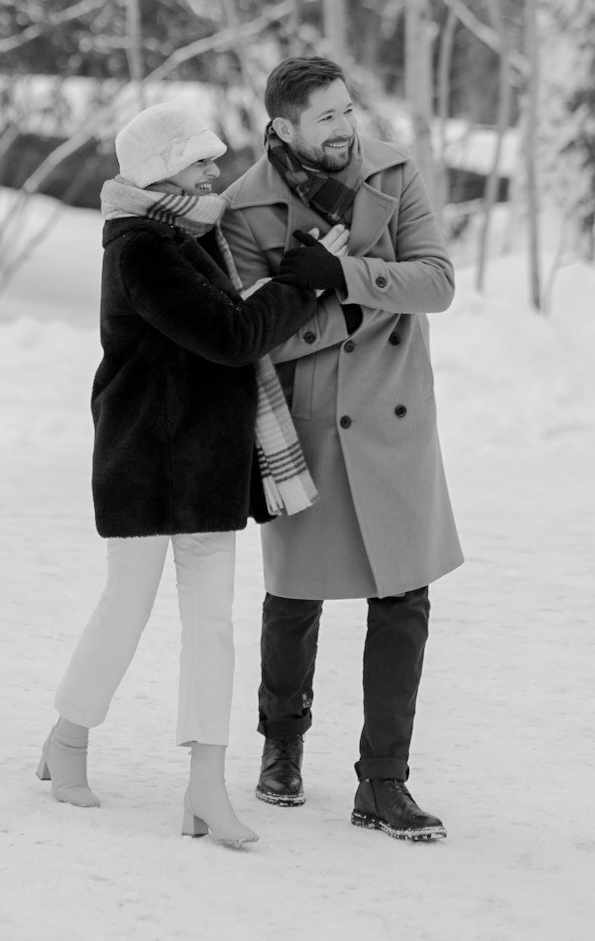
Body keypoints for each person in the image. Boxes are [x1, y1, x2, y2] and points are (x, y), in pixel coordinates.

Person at [38, 103, 334, 848]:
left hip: (205, 461)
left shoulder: (191, 233)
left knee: (212, 627)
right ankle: (68, 738)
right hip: (144, 458)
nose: (215, 172)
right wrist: (298, 289)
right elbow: (231, 336)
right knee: (126, 607)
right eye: (201, 161)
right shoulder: (141, 245)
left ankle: (206, 787)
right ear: (161, 170)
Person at [223, 56, 463, 844]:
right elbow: (252, 333)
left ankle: (383, 783)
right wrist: (331, 301)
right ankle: (282, 745)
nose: (344, 127)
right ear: (284, 126)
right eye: (326, 116)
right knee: (295, 597)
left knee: (404, 600)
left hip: (393, 422)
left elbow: (435, 282)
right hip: (309, 425)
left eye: (348, 110)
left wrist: (342, 277)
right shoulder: (243, 208)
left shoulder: (394, 175)